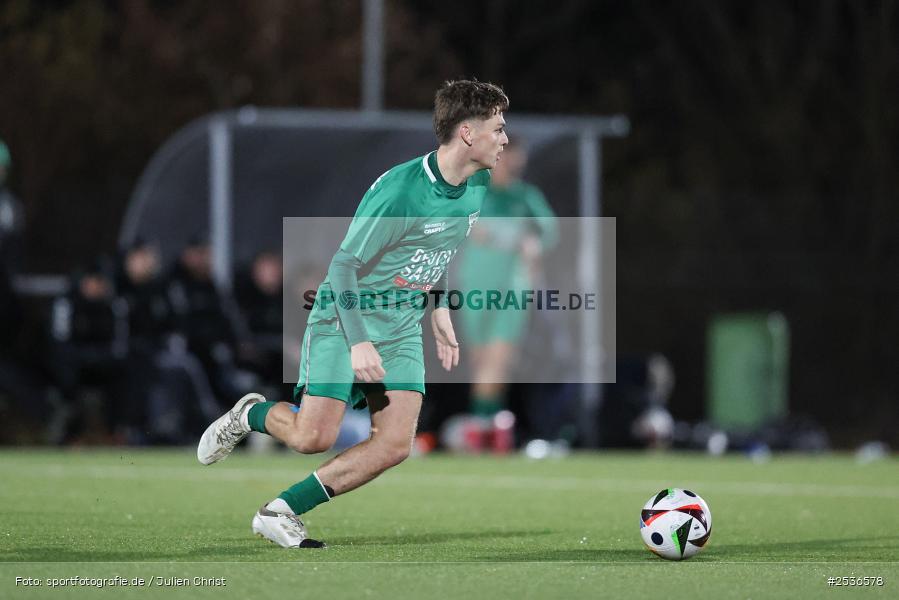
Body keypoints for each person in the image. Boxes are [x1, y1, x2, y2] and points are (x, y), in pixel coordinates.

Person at [197, 79, 509, 548]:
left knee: (395, 444)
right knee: (312, 437)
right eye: (498, 129)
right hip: (345, 318)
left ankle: (280, 511)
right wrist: (359, 341)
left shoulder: (477, 182)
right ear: (467, 133)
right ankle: (251, 414)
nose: (505, 139)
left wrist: (439, 306)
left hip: (401, 325)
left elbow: (438, 248)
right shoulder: (401, 192)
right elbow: (343, 266)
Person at [457, 136, 558, 451]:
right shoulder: (473, 192)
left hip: (512, 288)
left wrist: (534, 243)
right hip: (474, 288)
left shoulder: (525, 197)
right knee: (481, 361)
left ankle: (483, 425)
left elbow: (549, 231)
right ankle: (487, 422)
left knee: (499, 356)